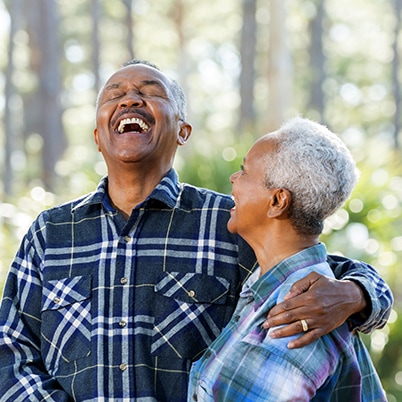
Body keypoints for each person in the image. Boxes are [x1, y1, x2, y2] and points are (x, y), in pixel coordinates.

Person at [0, 60, 392, 401]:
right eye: (113, 93)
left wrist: (356, 294)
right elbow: (10, 350)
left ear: (183, 131)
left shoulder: (230, 221)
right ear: (98, 136)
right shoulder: (50, 233)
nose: (130, 98)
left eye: (149, 91)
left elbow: (312, 271)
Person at [188, 117, 387, 401]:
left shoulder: (296, 319)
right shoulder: (278, 290)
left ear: (277, 201)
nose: (233, 178)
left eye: (244, 171)